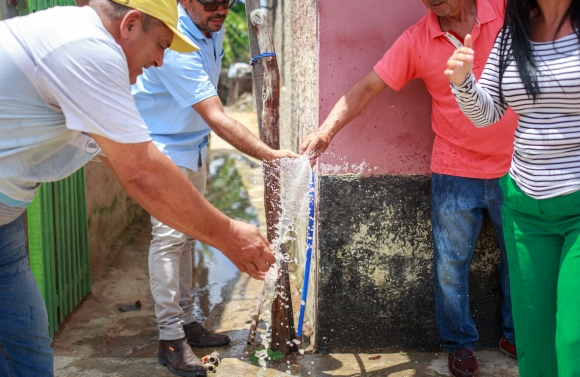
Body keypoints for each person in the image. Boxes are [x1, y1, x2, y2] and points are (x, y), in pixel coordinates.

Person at [0, 1, 275, 376]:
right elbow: (141, 174)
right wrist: (228, 235)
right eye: (161, 45)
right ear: (130, 24)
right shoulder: (89, 50)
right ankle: (171, 337)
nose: (161, 62)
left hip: (6, 220)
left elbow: (128, 169)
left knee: (28, 346)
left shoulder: (83, 42)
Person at [301, 0, 519, 376]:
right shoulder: (417, 40)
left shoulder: (505, 10)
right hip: (455, 170)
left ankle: (516, 336)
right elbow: (368, 86)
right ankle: (459, 345)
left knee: (520, 259)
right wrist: (326, 131)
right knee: (450, 267)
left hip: (516, 167)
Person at [130, 0, 297, 375]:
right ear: (184, 1)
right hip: (164, 151)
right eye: (210, 2)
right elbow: (218, 116)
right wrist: (269, 154)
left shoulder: (209, 25)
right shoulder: (171, 41)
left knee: (187, 238)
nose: (221, 9)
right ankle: (170, 339)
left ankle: (186, 321)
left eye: (227, 1)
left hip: (193, 146)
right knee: (169, 240)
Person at [446, 0, 580, 375]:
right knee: (534, 342)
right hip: (525, 210)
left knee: (573, 340)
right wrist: (462, 82)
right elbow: (487, 113)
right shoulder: (512, 35)